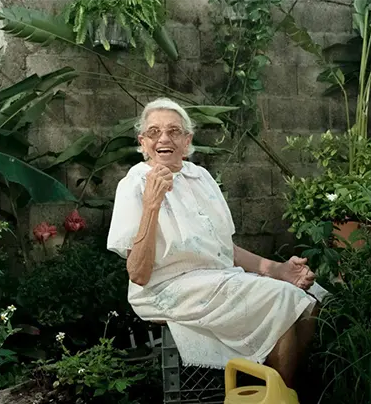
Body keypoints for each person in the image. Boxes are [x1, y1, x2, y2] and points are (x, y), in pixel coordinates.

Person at [107, 98, 329, 388]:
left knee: (313, 296)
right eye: (154, 132)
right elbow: (138, 274)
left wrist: (278, 270)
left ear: (187, 142)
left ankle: (274, 395)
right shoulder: (134, 184)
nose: (163, 138)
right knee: (281, 300)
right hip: (164, 287)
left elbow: (223, 249)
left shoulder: (201, 177)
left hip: (217, 278)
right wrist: (152, 205)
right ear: (143, 142)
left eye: (174, 131)